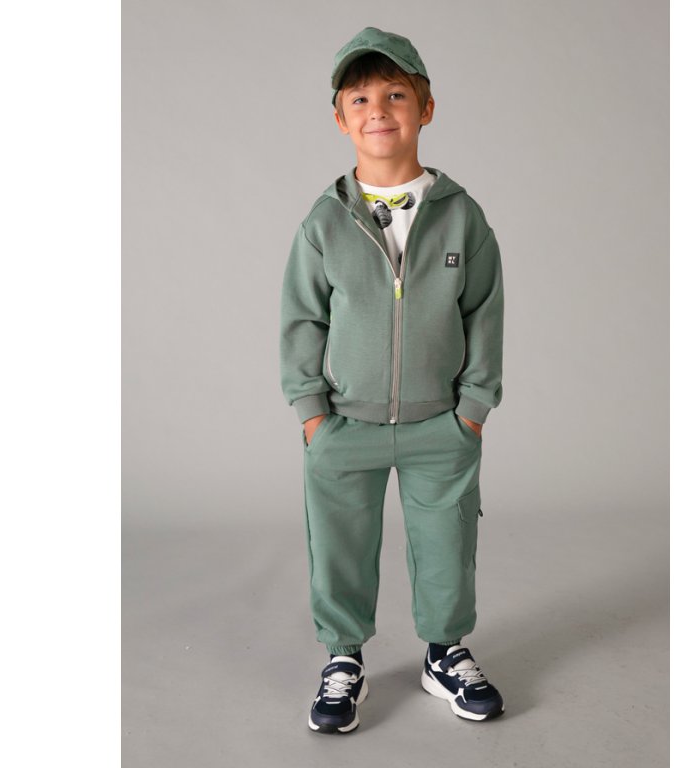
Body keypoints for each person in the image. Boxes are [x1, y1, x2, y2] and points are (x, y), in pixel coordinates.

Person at [279, 27, 505, 734]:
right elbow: (302, 318)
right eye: (360, 99)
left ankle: (445, 652)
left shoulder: (461, 216)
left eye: (396, 95)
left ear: (426, 108)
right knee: (339, 548)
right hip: (345, 425)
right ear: (341, 119)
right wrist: (312, 413)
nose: (378, 110)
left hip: (442, 423)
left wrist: (473, 408)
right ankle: (343, 658)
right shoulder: (325, 221)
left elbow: (486, 312)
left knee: (446, 549)